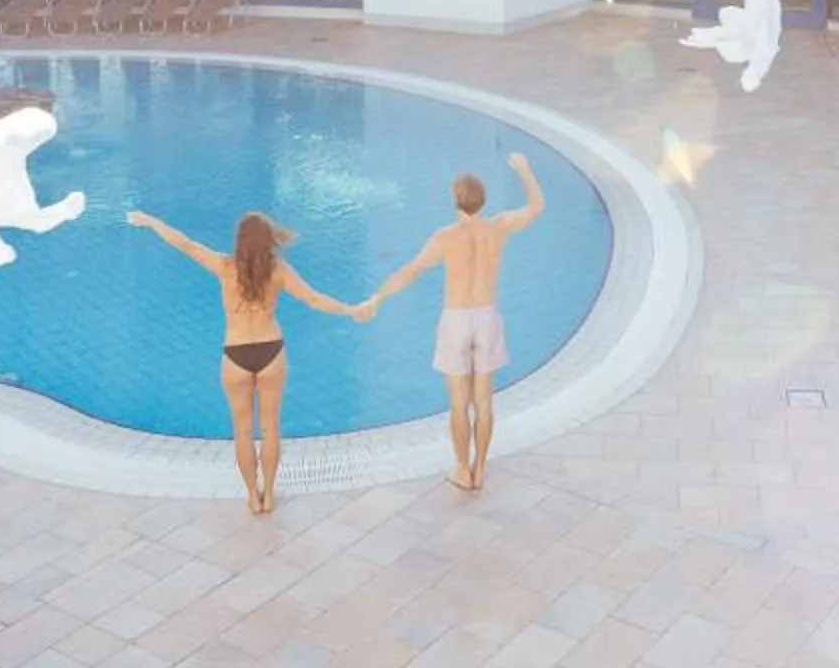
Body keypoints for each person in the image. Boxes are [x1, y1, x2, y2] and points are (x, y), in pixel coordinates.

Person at [125, 207, 372, 513]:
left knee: (242, 431)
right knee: (270, 429)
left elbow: (184, 244)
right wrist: (351, 310)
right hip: (271, 351)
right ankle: (269, 491)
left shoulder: (225, 266)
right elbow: (313, 298)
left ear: (239, 241)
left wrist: (152, 222)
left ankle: (251, 495)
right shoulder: (278, 270)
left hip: (236, 354)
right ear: (268, 240)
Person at [367, 152, 544, 491]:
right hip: (486, 317)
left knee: (459, 404)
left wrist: (377, 297)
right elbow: (536, 206)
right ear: (483, 200)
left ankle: (462, 468)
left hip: (456, 321)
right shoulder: (499, 227)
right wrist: (525, 170)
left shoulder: (445, 237)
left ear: (455, 201)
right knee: (485, 401)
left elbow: (411, 271)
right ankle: (480, 468)